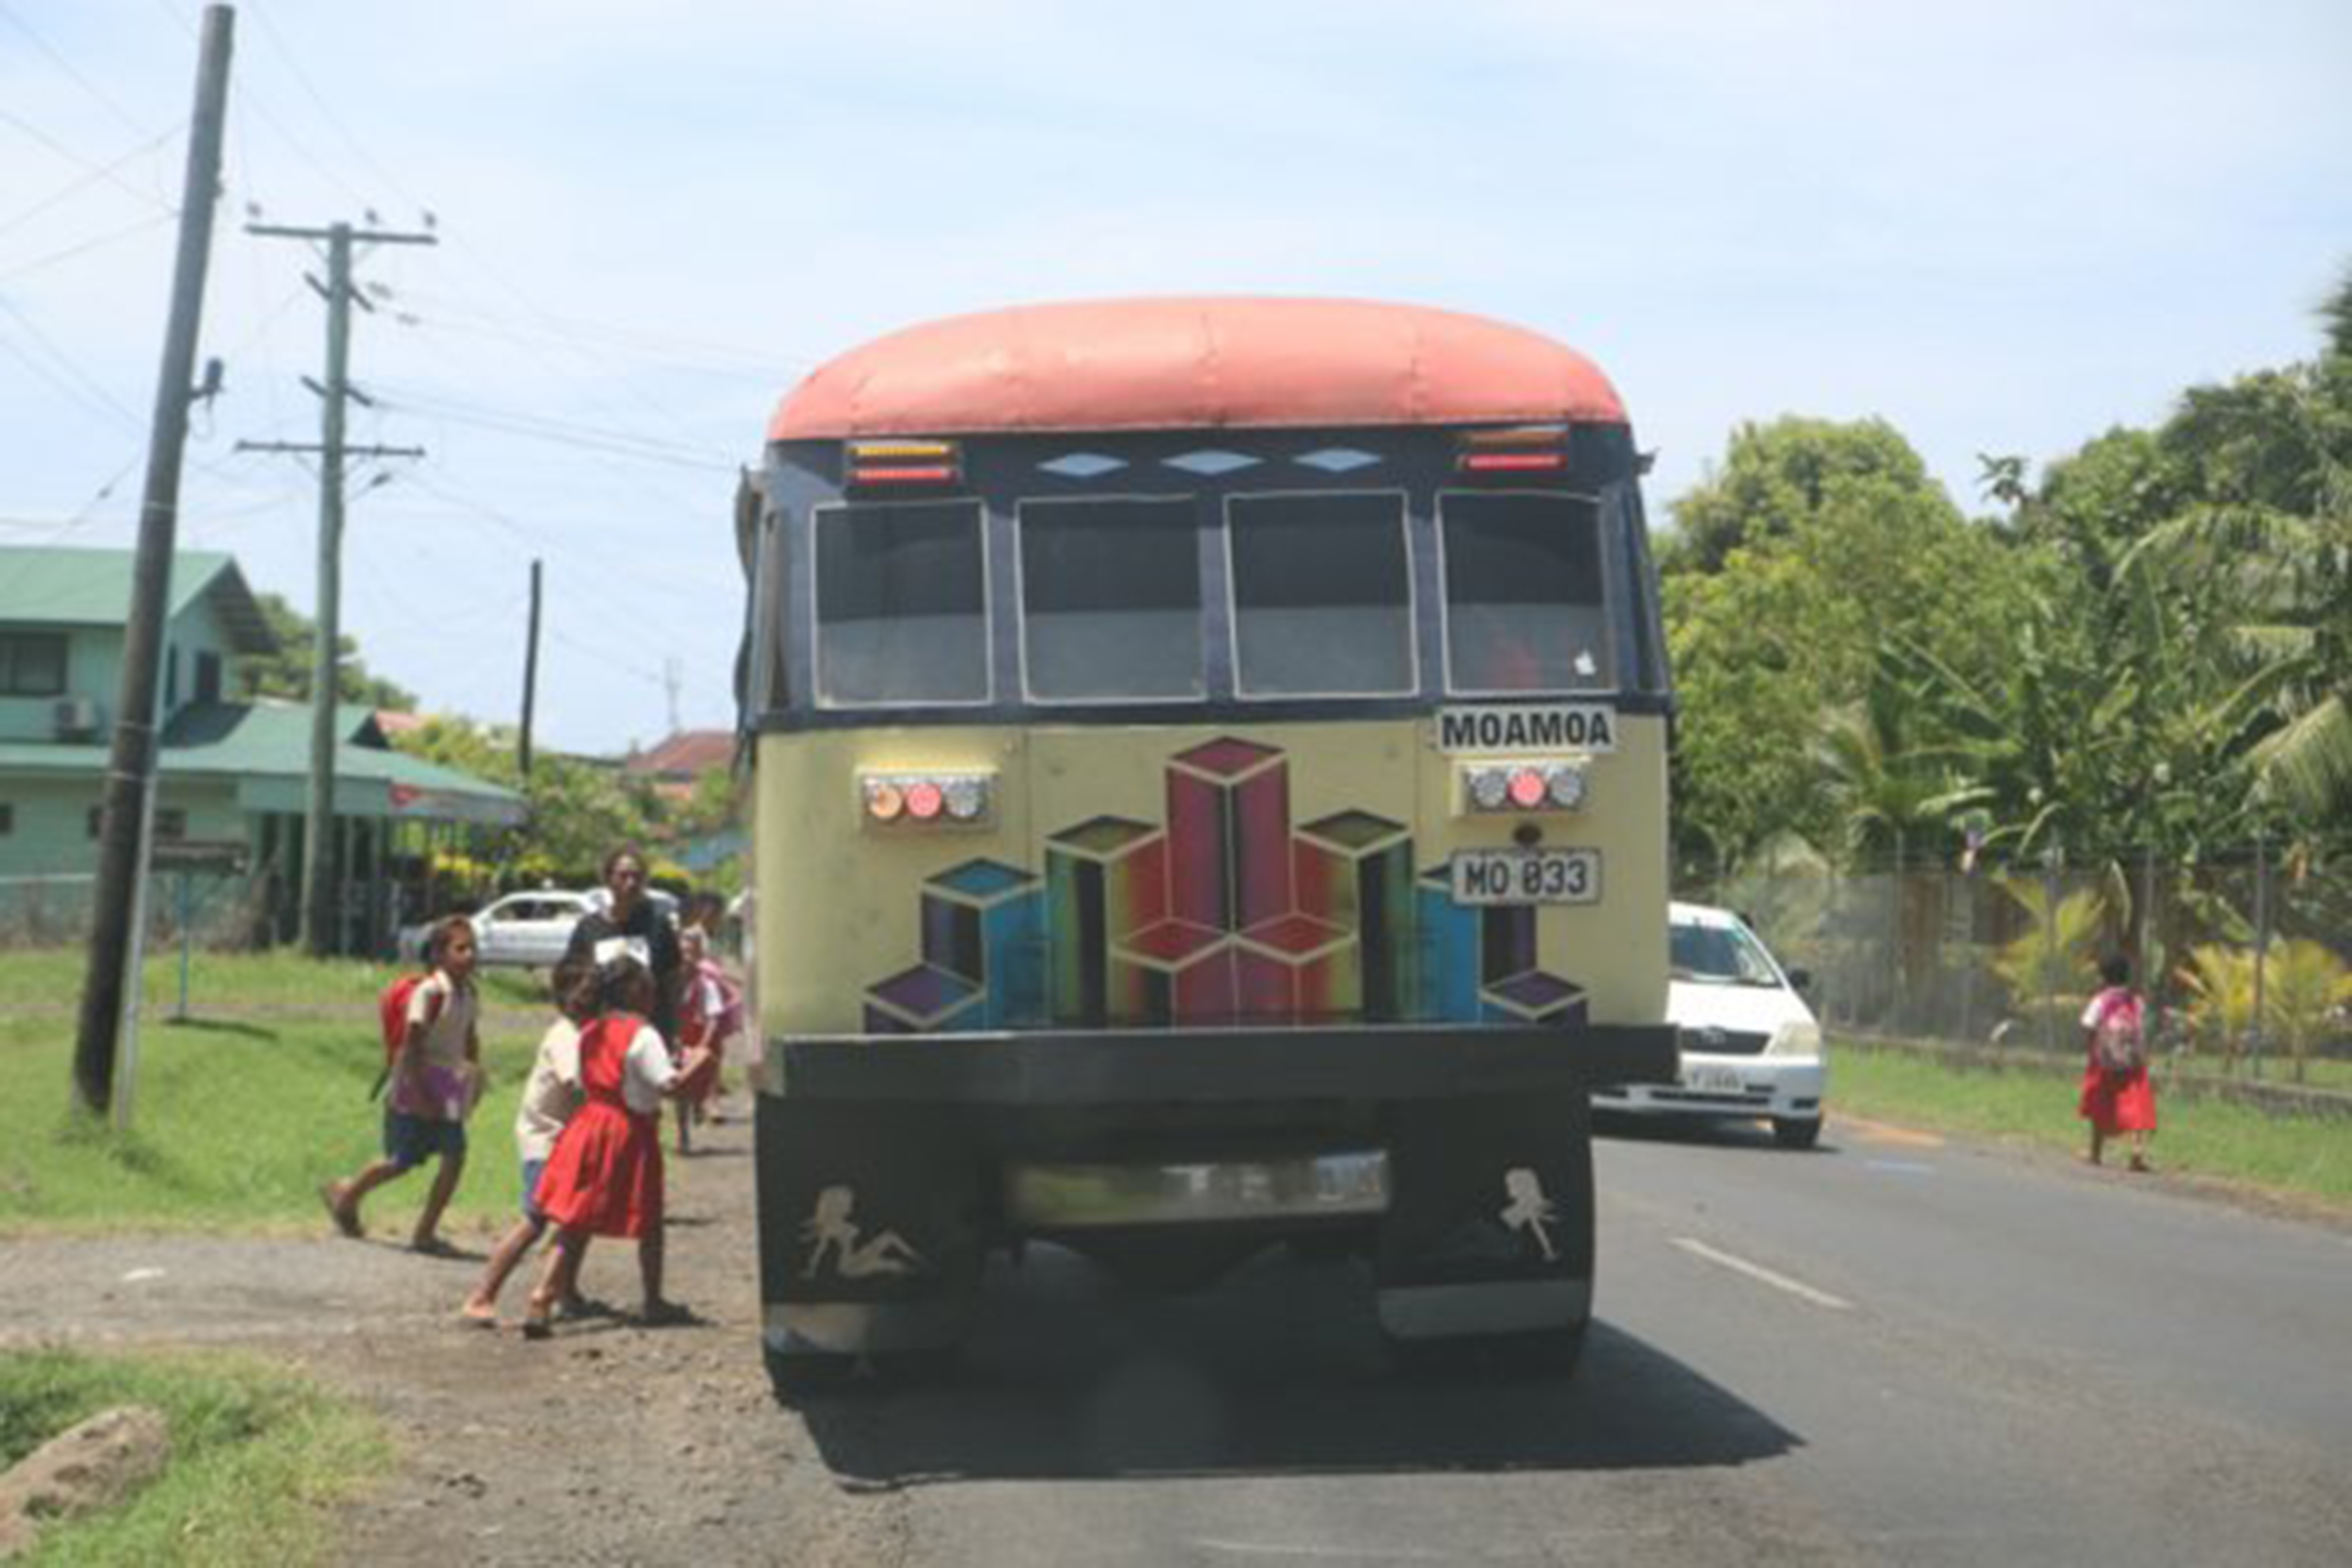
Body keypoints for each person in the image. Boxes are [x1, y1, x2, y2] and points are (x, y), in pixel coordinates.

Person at [520, 953, 712, 1338]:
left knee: (574, 1218)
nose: (654, 993)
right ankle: (652, 1300)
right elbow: (668, 1085)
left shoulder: (592, 1029)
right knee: (650, 1217)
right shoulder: (643, 1034)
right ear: (635, 991)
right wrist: (701, 1060)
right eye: (648, 986)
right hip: (627, 1130)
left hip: (588, 1122)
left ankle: (543, 1294)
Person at [322, 914, 483, 1252]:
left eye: (473, 948)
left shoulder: (469, 993)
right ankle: (346, 1196)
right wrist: (421, 1093)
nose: (470, 954)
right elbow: (412, 1046)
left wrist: (475, 1077)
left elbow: (469, 1037)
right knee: (400, 1160)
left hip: (448, 1084)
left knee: (455, 1155)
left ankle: (425, 1232)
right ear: (439, 954)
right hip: (415, 1081)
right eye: (461, 948)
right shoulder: (429, 992)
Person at [459, 956, 596, 1328]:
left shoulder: (583, 1032)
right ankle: (482, 1295)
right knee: (536, 1220)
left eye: (594, 992)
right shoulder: (565, 1035)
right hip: (546, 1142)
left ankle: (566, 1290)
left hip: (566, 1141)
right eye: (582, 993)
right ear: (564, 997)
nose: (590, 1000)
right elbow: (576, 1084)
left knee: (580, 1219)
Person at [564, 845, 682, 1056]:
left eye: (637, 877)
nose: (631, 883)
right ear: (608, 879)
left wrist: (675, 1032)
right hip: (602, 1036)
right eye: (623, 876)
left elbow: (673, 982)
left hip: (650, 1035)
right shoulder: (589, 928)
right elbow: (570, 981)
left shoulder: (658, 927)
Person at [2080, 954, 2157, 1171]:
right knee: (2137, 1105)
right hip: (2132, 1062)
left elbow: (2088, 1026)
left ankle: (2095, 1152)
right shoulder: (2136, 1001)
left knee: (2100, 1103)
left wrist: (2093, 1050)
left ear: (2103, 978)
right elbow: (2141, 1028)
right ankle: (2136, 1152)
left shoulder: (2100, 1000)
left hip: (2104, 1062)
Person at [672, 924, 739, 1145]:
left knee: (699, 1084)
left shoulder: (706, 983)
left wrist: (704, 1043)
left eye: (691, 953)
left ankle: (700, 1105)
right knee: (680, 1087)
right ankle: (683, 1133)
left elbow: (713, 1017)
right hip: (679, 1042)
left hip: (702, 1040)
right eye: (682, 953)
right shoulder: (671, 985)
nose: (687, 958)